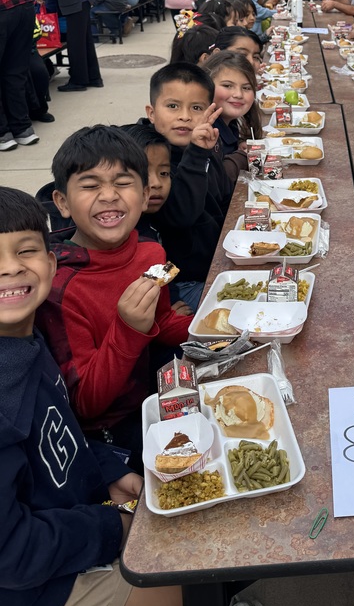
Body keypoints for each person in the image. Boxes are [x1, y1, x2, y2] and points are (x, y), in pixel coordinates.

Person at [0, 187, 186, 606]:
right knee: (185, 596)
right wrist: (111, 528)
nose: (10, 268)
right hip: (21, 597)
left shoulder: (26, 340)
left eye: (25, 250)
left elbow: (58, 433)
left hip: (63, 527)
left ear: (51, 260)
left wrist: (107, 470)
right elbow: (13, 554)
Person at [34, 126, 191, 469]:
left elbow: (161, 321)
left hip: (150, 397)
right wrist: (128, 328)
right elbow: (85, 404)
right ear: (62, 202)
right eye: (90, 185)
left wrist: (214, 325)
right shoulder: (58, 287)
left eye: (122, 182)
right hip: (108, 434)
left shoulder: (150, 252)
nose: (108, 195)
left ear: (144, 194)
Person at [142, 63, 232, 311]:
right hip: (181, 282)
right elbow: (181, 214)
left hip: (216, 261)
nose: (185, 116)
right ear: (151, 113)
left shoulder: (205, 149)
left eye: (196, 108)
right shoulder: (148, 160)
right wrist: (196, 153)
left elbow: (224, 198)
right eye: (173, 106)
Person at [202, 51, 261, 183]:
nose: (238, 94)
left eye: (246, 88)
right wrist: (241, 157)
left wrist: (238, 145)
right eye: (227, 86)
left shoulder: (230, 123)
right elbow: (215, 181)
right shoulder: (206, 130)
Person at [0, 0, 39, 151]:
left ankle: (3, 134)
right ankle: (23, 129)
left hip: (3, 10)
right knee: (15, 71)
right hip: (24, 6)